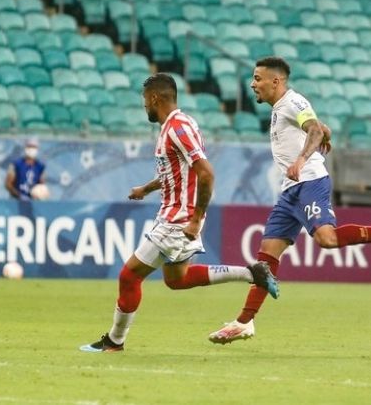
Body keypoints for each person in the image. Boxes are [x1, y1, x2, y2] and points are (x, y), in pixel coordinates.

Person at [208, 56, 371, 344]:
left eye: (257, 78)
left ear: (276, 81)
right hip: (290, 190)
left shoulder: (292, 101)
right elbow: (318, 127)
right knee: (266, 257)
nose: (253, 84)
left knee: (327, 240)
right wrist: (324, 132)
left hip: (310, 181)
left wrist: (302, 157)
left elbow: (312, 128)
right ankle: (244, 322)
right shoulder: (281, 108)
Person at [80, 73, 279, 352]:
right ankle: (252, 273)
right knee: (177, 279)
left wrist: (196, 218)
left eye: (145, 101)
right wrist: (147, 189)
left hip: (178, 219)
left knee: (129, 276)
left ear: (154, 98)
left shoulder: (177, 127)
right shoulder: (176, 126)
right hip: (178, 216)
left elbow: (206, 174)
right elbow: (178, 172)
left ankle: (114, 341)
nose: (144, 107)